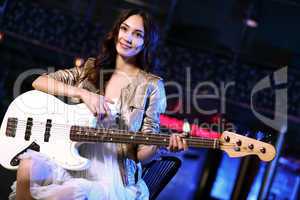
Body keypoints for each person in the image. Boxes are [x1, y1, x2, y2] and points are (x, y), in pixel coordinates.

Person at [9, 9, 188, 200]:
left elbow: (141, 155)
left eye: (137, 35)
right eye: (124, 29)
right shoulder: (91, 68)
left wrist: (160, 145)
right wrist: (83, 93)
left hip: (110, 175)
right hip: (71, 157)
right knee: (28, 165)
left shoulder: (152, 86)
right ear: (116, 32)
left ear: (146, 43)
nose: (127, 38)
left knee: (76, 190)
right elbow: (39, 82)